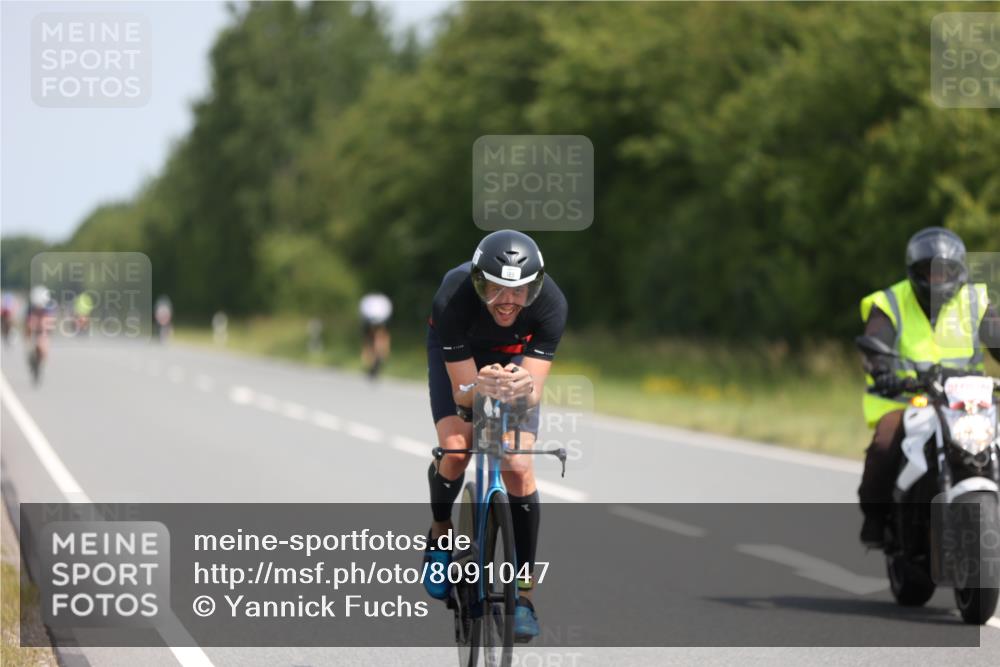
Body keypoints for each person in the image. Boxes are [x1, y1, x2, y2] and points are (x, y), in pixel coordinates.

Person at [422, 229, 567, 642]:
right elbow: (464, 396)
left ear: (535, 288)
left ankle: (523, 595)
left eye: (520, 291)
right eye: (497, 289)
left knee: (519, 467)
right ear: (478, 283)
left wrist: (520, 389)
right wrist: (478, 389)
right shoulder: (453, 296)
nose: (508, 301)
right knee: (456, 449)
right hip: (461, 356)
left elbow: (533, 390)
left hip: (513, 360)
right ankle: (439, 534)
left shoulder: (552, 305)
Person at [857, 227, 1000, 546]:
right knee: (884, 444)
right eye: (927, 272)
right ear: (914, 272)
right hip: (906, 399)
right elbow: (874, 345)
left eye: (944, 272)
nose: (936, 280)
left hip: (967, 401)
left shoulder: (975, 300)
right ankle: (876, 518)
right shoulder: (891, 302)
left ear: (958, 271)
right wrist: (882, 372)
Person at [25, 285, 57, 384]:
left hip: (43, 328)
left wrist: (45, 331)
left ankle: (41, 362)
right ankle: (32, 360)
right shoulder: (29, 308)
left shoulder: (49, 307)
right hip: (33, 327)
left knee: (44, 346)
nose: (39, 307)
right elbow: (27, 323)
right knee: (29, 347)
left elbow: (50, 322)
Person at [358, 292, 392, 379]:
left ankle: (376, 357)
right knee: (379, 336)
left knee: (372, 338)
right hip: (378, 317)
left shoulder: (370, 305)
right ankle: (380, 356)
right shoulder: (379, 304)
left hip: (374, 317)